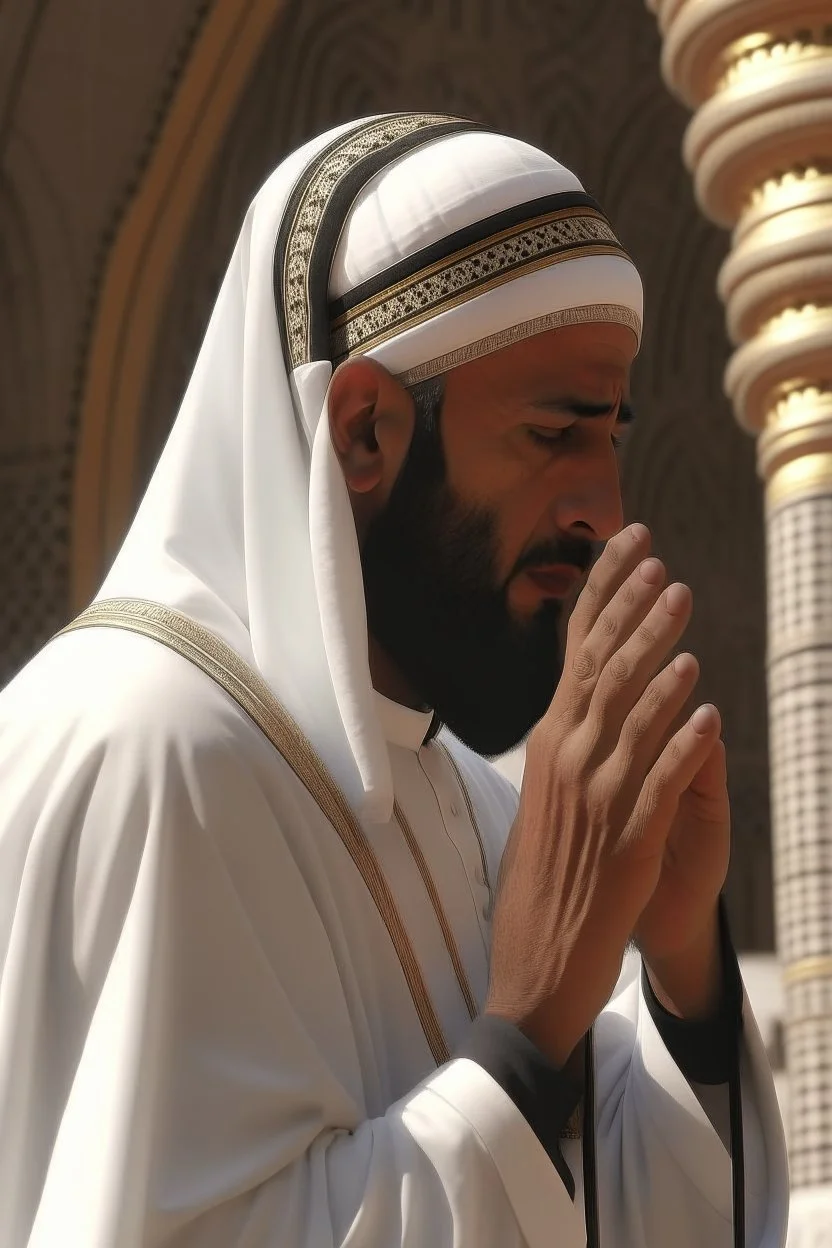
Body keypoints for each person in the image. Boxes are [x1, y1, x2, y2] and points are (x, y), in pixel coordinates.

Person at [0, 114, 787, 1248]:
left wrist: (677, 974)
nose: (602, 508)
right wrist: (527, 1024)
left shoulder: (474, 802)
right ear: (365, 432)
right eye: (554, 432)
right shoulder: (147, 745)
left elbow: (613, 1210)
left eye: (610, 433)